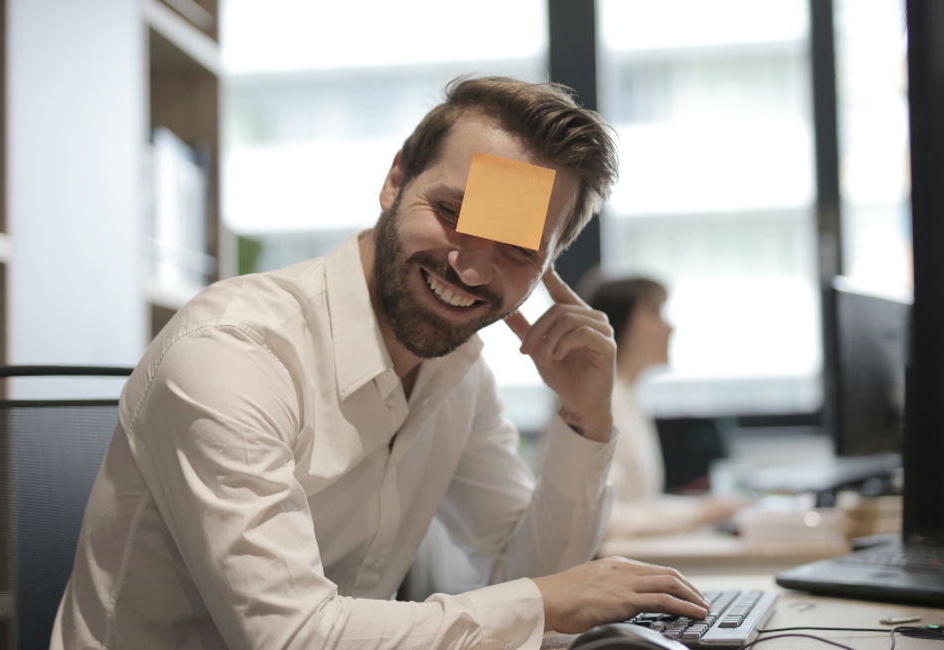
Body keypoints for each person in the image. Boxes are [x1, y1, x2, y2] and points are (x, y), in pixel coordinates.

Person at [51, 77, 710, 650]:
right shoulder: (235, 352)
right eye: (453, 212)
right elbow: (293, 637)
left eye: (518, 249)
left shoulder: (460, 376)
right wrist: (543, 603)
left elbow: (537, 577)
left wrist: (585, 416)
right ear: (395, 179)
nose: (473, 266)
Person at [582, 274, 741, 541]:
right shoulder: (601, 402)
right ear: (617, 322)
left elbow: (642, 503)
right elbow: (604, 518)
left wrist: (708, 507)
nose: (670, 328)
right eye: (655, 313)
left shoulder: (625, 397)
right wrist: (700, 513)